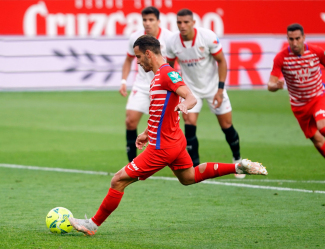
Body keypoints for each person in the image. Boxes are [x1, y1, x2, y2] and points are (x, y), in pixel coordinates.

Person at [69, 35, 268, 236]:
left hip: (162, 148)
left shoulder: (166, 74)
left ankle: (92, 224)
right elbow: (159, 111)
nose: (137, 61)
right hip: (173, 142)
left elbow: (189, 95)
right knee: (189, 177)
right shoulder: (158, 77)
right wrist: (147, 132)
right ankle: (238, 166)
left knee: (118, 180)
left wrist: (186, 104)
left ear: (148, 54)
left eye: (138, 57)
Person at [267, 23, 325, 179]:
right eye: (291, 39)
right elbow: (270, 85)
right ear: (287, 39)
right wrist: (276, 86)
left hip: (318, 97)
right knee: (316, 139)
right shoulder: (281, 58)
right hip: (299, 106)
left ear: (304, 37)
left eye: (298, 38)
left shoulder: (316, 51)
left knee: (324, 128)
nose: (295, 43)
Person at [166, 9, 245, 178]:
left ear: (193, 23)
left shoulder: (207, 36)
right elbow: (170, 68)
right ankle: (194, 166)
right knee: (189, 122)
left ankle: (237, 159)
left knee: (226, 125)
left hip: (213, 88)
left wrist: (220, 89)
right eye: (179, 22)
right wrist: (176, 89)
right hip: (191, 90)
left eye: (186, 22)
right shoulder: (172, 42)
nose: (182, 26)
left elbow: (222, 61)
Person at [120, 6, 172, 162]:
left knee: (164, 128)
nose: (147, 23)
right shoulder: (136, 38)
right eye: (144, 20)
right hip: (142, 86)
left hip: (162, 87)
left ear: (158, 21)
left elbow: (177, 62)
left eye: (151, 20)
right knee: (130, 121)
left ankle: (166, 159)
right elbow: (129, 60)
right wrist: (123, 81)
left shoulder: (169, 38)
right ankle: (131, 164)